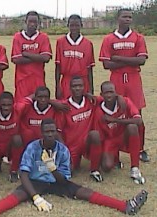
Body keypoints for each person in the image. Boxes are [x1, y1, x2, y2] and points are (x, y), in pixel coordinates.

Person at [0, 119, 148, 216]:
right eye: (46, 132)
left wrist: (52, 168)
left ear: (55, 132)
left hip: (56, 181)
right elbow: (24, 173)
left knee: (84, 192)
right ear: (41, 133)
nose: (50, 135)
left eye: (52, 131)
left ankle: (125, 206)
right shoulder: (33, 147)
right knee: (20, 194)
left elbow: (64, 179)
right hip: (36, 182)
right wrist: (36, 197)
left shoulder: (62, 150)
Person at [99, 8, 149, 162]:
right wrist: (129, 60)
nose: (128, 19)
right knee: (116, 112)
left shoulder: (138, 37)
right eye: (124, 17)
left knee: (136, 112)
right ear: (118, 19)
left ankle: (140, 148)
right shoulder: (109, 39)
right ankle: (117, 148)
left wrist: (118, 58)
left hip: (134, 79)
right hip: (116, 80)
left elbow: (141, 60)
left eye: (130, 17)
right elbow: (107, 64)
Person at [93, 81, 146, 184]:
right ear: (101, 95)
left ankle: (135, 168)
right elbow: (101, 137)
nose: (109, 95)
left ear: (116, 93)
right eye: (106, 93)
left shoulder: (125, 102)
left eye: (111, 92)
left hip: (123, 136)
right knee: (107, 167)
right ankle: (115, 159)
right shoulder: (99, 111)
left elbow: (139, 121)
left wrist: (115, 120)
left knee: (132, 127)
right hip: (110, 140)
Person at [56, 76, 103, 181]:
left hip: (87, 142)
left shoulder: (91, 101)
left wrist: (120, 98)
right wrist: (65, 151)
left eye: (80, 86)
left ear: (84, 87)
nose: (77, 88)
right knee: (70, 171)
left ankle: (94, 170)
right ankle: (74, 161)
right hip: (72, 146)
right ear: (70, 88)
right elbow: (58, 132)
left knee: (95, 135)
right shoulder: (64, 107)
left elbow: (109, 96)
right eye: (74, 86)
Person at [11, 11, 52, 101]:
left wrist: (26, 54)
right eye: (30, 21)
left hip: (38, 79)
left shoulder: (43, 37)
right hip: (22, 80)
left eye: (35, 22)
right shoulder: (18, 37)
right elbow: (16, 59)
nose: (32, 24)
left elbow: (46, 58)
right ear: (26, 22)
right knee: (21, 107)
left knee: (38, 107)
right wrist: (38, 57)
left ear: (38, 23)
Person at [55, 14, 95, 99]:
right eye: (72, 25)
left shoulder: (88, 44)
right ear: (68, 25)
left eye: (77, 25)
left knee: (81, 108)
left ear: (81, 26)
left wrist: (91, 89)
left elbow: (89, 69)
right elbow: (58, 66)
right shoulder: (60, 42)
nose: (74, 28)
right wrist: (57, 87)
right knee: (66, 108)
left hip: (82, 81)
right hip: (66, 81)